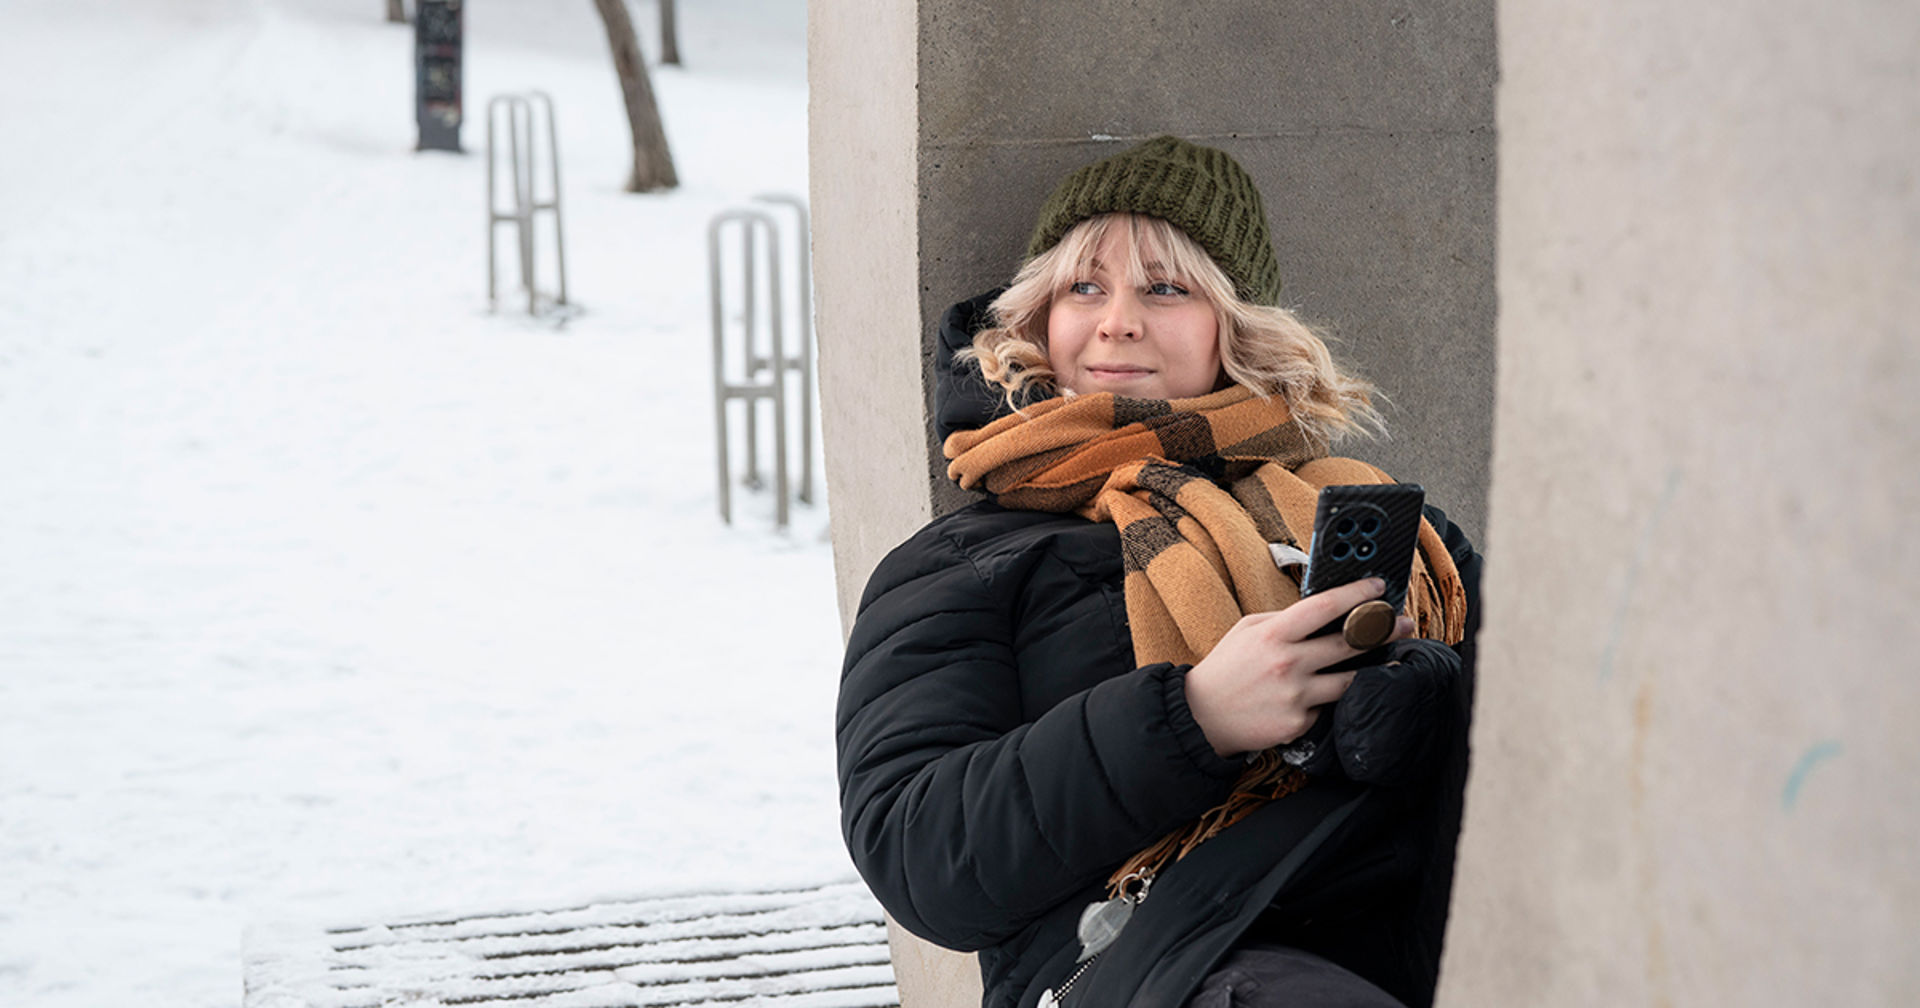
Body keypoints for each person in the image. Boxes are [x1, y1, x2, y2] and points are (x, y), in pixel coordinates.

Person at [836, 136, 1481, 1008]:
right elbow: (921, 855)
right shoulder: (967, 563)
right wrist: (1196, 716)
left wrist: (1419, 694)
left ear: (1236, 325)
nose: (1119, 320)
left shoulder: (1375, 518)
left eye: (1167, 288)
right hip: (1159, 967)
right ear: (1037, 319)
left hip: (1432, 926)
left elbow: (1543, 719)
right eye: (1084, 288)